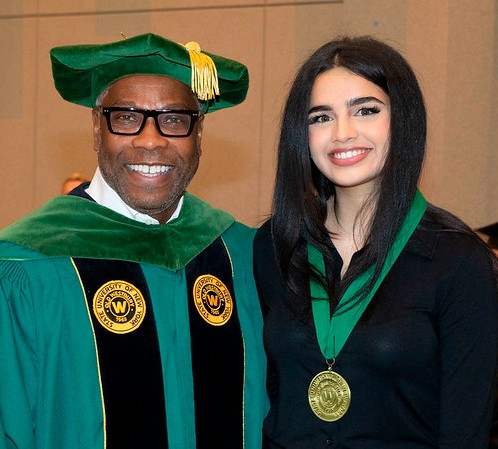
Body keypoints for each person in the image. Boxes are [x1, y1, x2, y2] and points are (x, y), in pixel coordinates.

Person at [0, 33, 267, 448]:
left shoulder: (241, 256)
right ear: (95, 127)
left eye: (174, 119)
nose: (150, 140)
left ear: (200, 134)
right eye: (125, 117)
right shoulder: (28, 268)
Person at [253, 35, 498, 448]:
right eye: (320, 117)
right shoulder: (277, 244)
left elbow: (467, 431)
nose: (342, 133)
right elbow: (273, 394)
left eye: (365, 111)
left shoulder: (458, 260)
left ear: (403, 120)